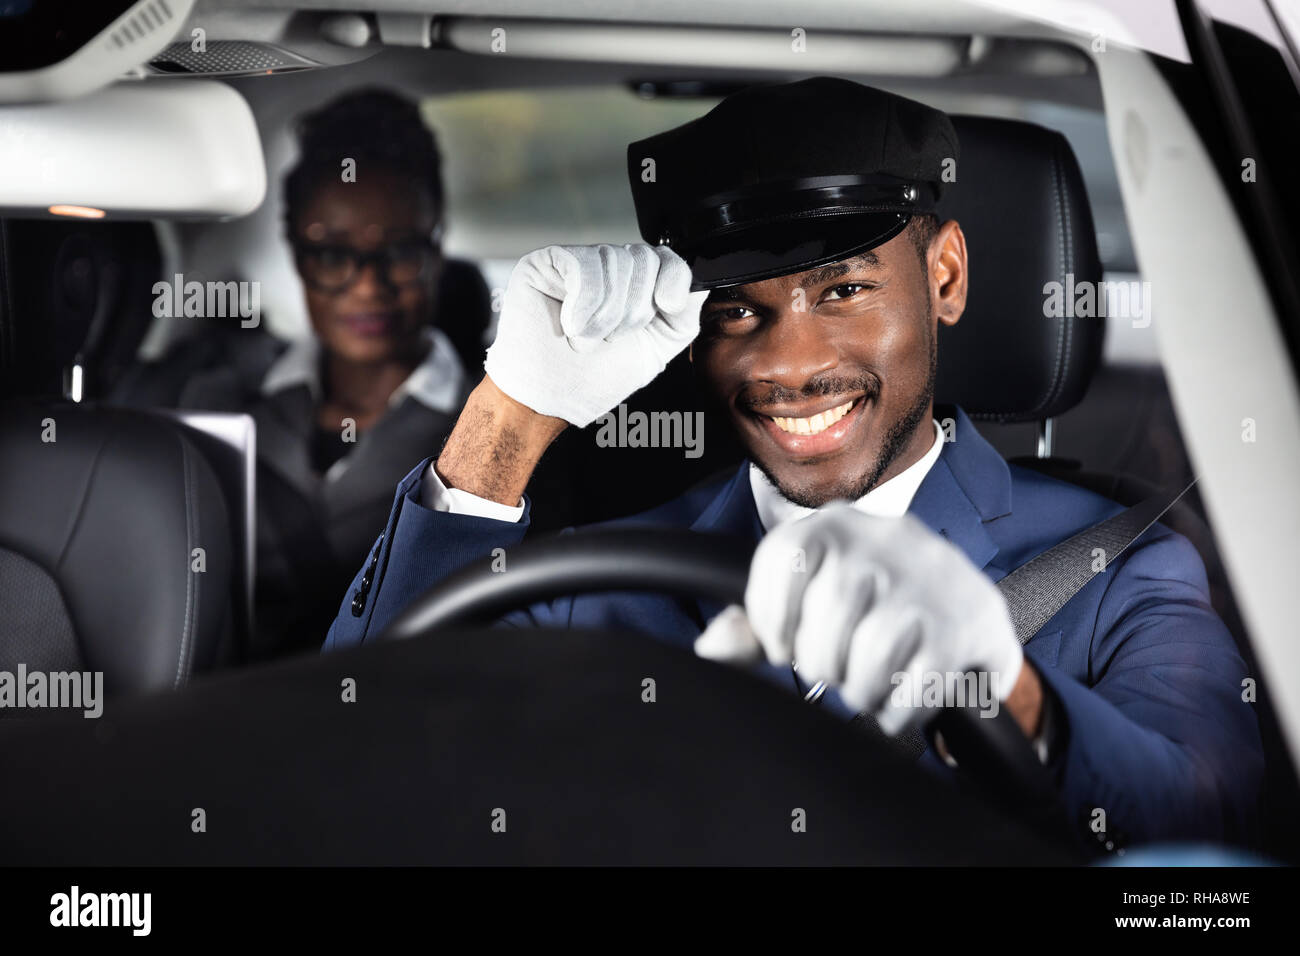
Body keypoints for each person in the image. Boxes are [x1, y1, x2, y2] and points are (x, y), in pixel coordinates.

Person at [321, 78, 1262, 847]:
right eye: (737, 310)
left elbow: (1207, 832)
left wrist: (1001, 693)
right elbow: (359, 755)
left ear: (944, 277)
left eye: (844, 289)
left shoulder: (1114, 572)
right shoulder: (598, 579)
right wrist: (514, 412)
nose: (788, 367)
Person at [119, 89, 479, 656]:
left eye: (401, 250)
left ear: (437, 245)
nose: (368, 285)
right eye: (333, 254)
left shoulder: (494, 429)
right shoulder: (204, 388)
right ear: (296, 254)